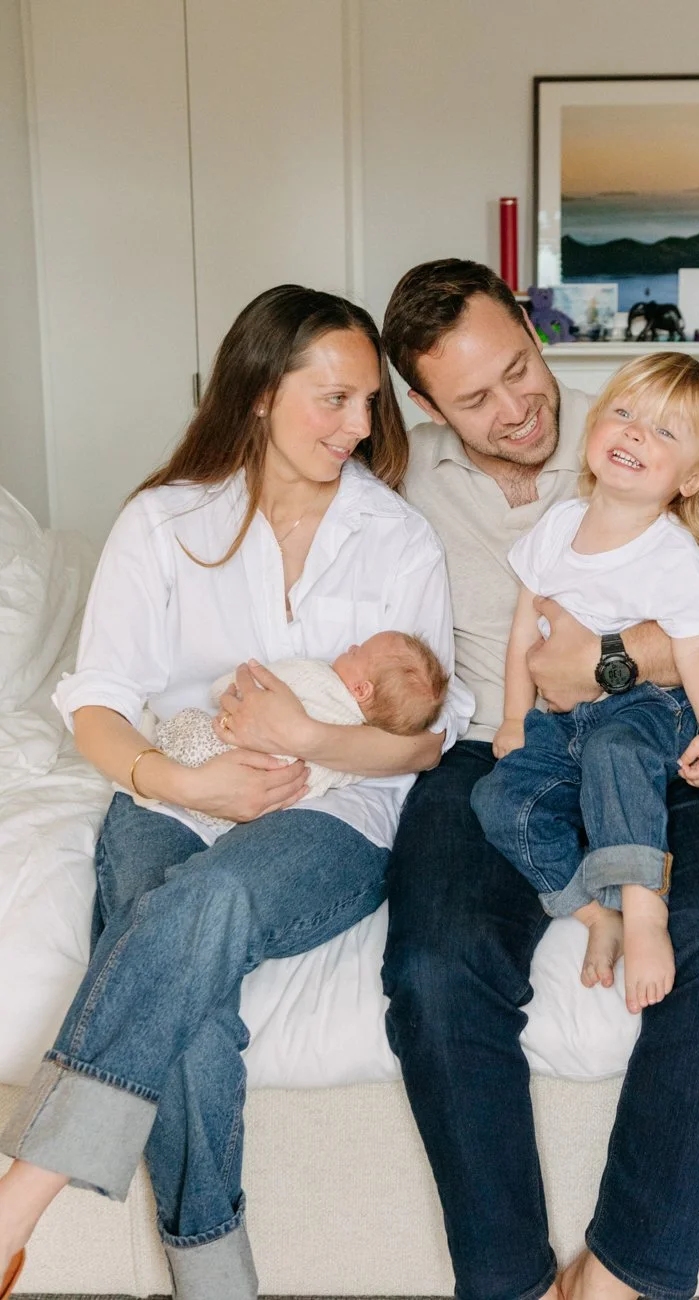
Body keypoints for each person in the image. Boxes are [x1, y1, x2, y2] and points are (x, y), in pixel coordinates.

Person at [0, 284, 472, 1299]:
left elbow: (428, 742)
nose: (358, 426)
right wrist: (187, 780)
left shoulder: (397, 540)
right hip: (168, 791)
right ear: (258, 391)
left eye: (369, 405)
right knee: (190, 985)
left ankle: (14, 1203)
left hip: (331, 816)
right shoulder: (164, 522)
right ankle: (218, 1279)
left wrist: (307, 735)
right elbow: (99, 704)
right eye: (333, 399)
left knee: (198, 908)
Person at [379, 259, 699, 1300]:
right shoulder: (397, 479)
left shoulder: (639, 429)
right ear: (426, 405)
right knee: (435, 973)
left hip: (646, 733)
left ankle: (618, 1276)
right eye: (474, 399)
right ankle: (511, 1284)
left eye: (521, 368)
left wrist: (613, 661)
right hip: (497, 745)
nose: (518, 407)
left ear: (532, 330)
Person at [471, 352, 699, 1015]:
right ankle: (596, 914)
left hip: (645, 706)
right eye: (623, 414)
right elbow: (523, 633)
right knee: (497, 800)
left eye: (662, 432)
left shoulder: (675, 556)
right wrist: (514, 718)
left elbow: (697, 653)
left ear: (692, 477)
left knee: (614, 755)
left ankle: (643, 909)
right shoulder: (557, 527)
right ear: (594, 427)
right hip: (557, 715)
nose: (633, 434)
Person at [154, 631, 449, 832]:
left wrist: (223, 689)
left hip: (211, 759)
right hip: (245, 811)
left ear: (361, 689)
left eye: (358, 651)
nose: (350, 647)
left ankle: (161, 754)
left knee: (186, 720)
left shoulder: (316, 676)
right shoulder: (359, 754)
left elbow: (239, 685)